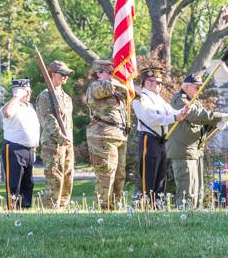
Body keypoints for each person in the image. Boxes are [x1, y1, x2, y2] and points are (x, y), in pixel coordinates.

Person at [166, 72, 228, 209]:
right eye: (197, 87)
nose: (199, 90)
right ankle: (183, 219)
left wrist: (214, 126)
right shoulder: (179, 100)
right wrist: (219, 116)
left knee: (196, 191)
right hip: (183, 151)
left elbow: (201, 125)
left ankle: (194, 218)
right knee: (186, 190)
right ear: (187, 87)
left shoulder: (195, 102)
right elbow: (195, 116)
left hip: (195, 151)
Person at [132, 67, 189, 208]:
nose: (158, 85)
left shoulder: (158, 99)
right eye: (156, 82)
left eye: (160, 83)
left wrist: (184, 111)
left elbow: (171, 112)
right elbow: (151, 118)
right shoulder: (141, 98)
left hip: (161, 140)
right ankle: (146, 203)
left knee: (161, 174)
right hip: (149, 138)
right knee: (149, 173)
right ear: (147, 82)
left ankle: (157, 203)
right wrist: (175, 117)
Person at [85, 59, 129, 210]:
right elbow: (107, 87)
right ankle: (103, 209)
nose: (112, 76)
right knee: (106, 174)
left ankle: (115, 207)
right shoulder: (96, 86)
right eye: (109, 73)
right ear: (98, 73)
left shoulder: (114, 89)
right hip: (103, 135)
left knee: (119, 175)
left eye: (113, 72)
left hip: (119, 135)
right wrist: (124, 82)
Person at [36, 61, 75, 209]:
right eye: (62, 74)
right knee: (55, 178)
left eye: (67, 75)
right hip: (53, 144)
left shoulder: (67, 97)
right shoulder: (45, 96)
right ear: (52, 74)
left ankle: (63, 208)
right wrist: (61, 137)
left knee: (68, 178)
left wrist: (69, 140)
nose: (65, 77)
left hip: (67, 143)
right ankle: (50, 211)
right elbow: (48, 120)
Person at [1, 79, 40, 210]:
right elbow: (7, 112)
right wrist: (17, 96)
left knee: (28, 183)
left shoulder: (30, 108)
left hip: (29, 150)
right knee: (14, 183)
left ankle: (25, 209)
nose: (28, 94)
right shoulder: (10, 105)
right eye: (25, 91)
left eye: (29, 90)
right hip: (14, 148)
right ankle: (13, 210)